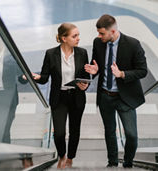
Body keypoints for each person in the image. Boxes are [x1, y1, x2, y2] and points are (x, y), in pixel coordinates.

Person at [84, 14, 147, 168]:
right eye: (98, 33)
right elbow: (97, 66)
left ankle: (128, 163)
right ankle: (112, 163)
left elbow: (142, 70)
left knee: (131, 135)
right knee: (109, 132)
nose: (99, 36)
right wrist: (94, 71)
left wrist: (122, 74)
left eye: (102, 33)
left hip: (125, 98)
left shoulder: (133, 44)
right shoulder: (98, 43)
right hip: (106, 96)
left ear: (112, 32)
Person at [32, 23, 90, 169]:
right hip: (59, 97)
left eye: (78, 35)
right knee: (59, 132)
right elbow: (45, 77)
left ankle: (70, 157)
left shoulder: (82, 53)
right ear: (64, 38)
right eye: (74, 36)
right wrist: (37, 77)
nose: (78, 38)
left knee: (74, 130)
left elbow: (85, 77)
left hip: (76, 97)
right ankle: (62, 155)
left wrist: (85, 85)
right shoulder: (51, 54)